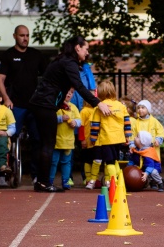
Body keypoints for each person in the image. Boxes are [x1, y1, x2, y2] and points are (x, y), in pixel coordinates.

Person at [29, 36, 111, 193]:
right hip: (44, 104)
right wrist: (98, 103)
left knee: (45, 143)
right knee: (48, 143)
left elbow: (58, 83)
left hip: (44, 104)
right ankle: (43, 183)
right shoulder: (69, 62)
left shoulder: (64, 61)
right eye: (86, 49)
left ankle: (41, 181)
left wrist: (61, 104)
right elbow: (79, 86)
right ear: (77, 48)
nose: (87, 53)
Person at [0, 25, 47, 183]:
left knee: (38, 139)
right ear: (15, 36)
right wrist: (6, 98)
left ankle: (37, 175)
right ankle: (3, 173)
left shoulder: (36, 55)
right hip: (15, 104)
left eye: (27, 35)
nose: (25, 38)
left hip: (34, 105)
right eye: (22, 35)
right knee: (8, 138)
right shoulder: (8, 55)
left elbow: (48, 77)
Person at [89, 80, 131, 187]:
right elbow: (127, 122)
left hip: (106, 139)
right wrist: (127, 136)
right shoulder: (121, 106)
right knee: (115, 160)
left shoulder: (99, 107)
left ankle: (114, 183)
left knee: (109, 162)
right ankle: (117, 179)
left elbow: (95, 126)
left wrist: (93, 139)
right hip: (119, 138)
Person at [50, 88, 81, 190]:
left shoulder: (74, 107)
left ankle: (65, 180)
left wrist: (75, 122)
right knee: (53, 161)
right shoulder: (56, 106)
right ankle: (50, 180)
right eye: (67, 91)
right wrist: (60, 119)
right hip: (56, 140)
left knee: (66, 162)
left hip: (68, 141)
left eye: (71, 92)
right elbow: (50, 119)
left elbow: (80, 121)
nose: (69, 94)